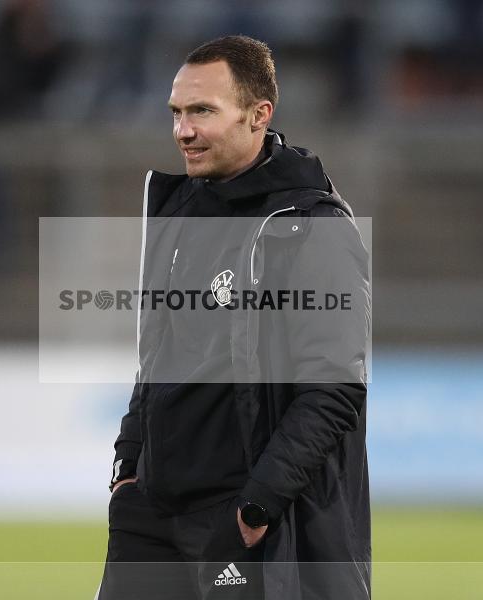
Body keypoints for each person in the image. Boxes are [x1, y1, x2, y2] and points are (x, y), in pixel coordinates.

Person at [97, 36, 371, 600]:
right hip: (150, 514)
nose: (183, 130)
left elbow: (335, 387)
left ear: (257, 115)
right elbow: (158, 354)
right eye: (176, 112)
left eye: (202, 111)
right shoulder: (178, 208)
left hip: (238, 521)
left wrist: (258, 502)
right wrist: (129, 465)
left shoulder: (310, 226)